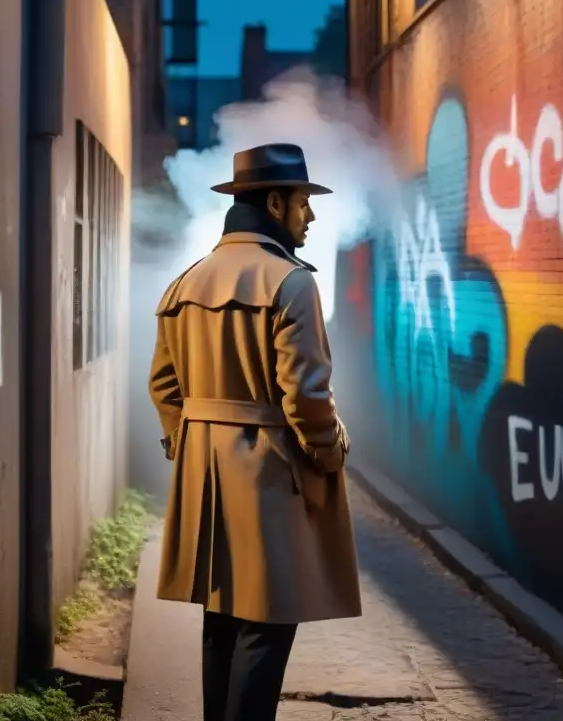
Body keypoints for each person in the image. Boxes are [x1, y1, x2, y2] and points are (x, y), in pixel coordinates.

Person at [148, 143, 361, 721]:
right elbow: (308, 399)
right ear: (273, 203)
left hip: (205, 481)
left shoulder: (185, 283)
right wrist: (331, 451)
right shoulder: (291, 284)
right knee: (267, 627)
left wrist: (188, 444)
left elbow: (164, 386)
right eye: (301, 203)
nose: (310, 216)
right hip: (270, 477)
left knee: (220, 622)